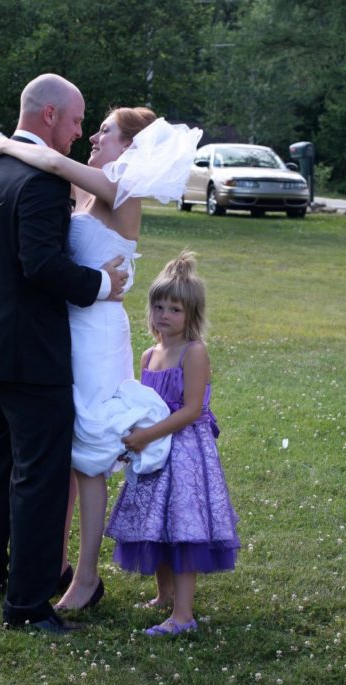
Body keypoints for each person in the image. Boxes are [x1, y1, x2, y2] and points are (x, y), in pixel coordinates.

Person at [0, 110, 201, 610]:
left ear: (129, 146)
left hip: (98, 333)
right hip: (68, 327)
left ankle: (85, 578)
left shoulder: (118, 186)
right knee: (64, 450)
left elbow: (53, 162)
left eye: (104, 129)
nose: (94, 136)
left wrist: (2, 145)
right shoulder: (87, 191)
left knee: (88, 457)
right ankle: (56, 565)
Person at [0, 73, 129, 634]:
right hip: (33, 352)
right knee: (38, 477)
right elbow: (42, 266)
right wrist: (103, 285)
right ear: (51, 115)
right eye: (78, 120)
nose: (81, 133)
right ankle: (28, 605)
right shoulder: (40, 181)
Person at [106, 251, 241, 636]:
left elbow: (193, 409)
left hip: (184, 451)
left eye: (175, 309)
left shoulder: (193, 352)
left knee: (182, 527)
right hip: (154, 453)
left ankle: (183, 616)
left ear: (191, 316)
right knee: (156, 523)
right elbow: (143, 403)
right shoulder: (150, 354)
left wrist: (148, 434)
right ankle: (164, 594)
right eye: (159, 306)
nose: (165, 315)